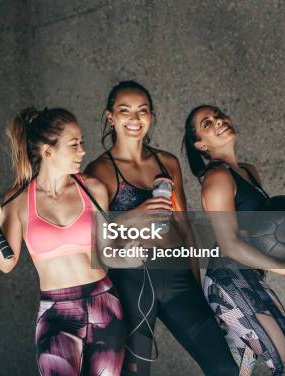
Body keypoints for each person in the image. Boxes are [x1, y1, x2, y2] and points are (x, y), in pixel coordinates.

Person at [86, 81, 238, 375]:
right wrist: (134, 215)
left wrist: (197, 282)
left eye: (142, 111)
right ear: (110, 117)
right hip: (131, 281)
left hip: (179, 277)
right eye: (125, 110)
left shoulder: (167, 162)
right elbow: (96, 240)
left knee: (225, 367)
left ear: (151, 117)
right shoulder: (100, 171)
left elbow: (183, 227)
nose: (134, 118)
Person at [0, 107, 126, 375]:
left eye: (81, 143)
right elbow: (6, 264)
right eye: (74, 144)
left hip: (103, 303)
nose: (82, 150)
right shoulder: (20, 198)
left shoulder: (93, 189)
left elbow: (108, 253)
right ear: (49, 151)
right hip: (56, 311)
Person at [183, 104, 285, 376]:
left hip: (250, 278)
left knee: (238, 371)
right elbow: (229, 242)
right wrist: (283, 267)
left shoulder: (249, 171)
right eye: (207, 124)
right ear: (201, 145)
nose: (219, 121)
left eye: (218, 115)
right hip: (229, 281)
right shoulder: (217, 177)